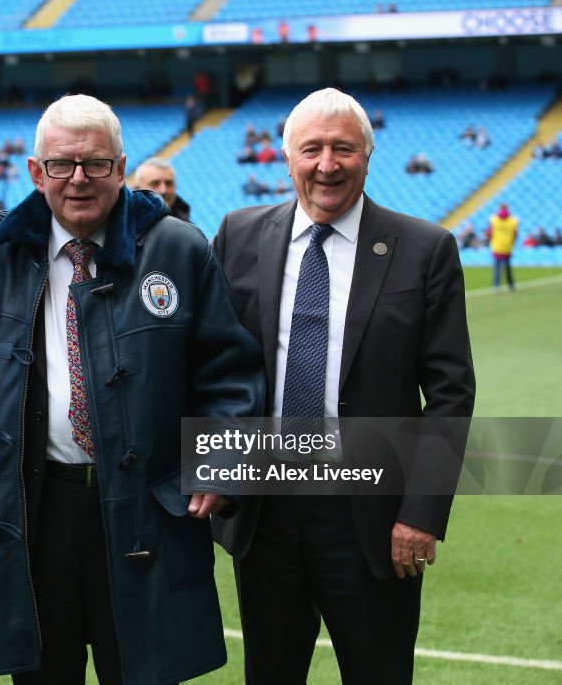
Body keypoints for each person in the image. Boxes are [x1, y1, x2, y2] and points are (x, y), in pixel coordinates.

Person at [0, 94, 265, 684]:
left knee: (143, 671)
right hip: (35, 507)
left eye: (95, 164)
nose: (78, 180)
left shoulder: (178, 247)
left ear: (121, 169)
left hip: (150, 508)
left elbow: (231, 373)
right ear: (35, 172)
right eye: (62, 165)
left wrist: (223, 462)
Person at [212, 88, 475, 684]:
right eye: (312, 149)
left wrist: (422, 512)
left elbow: (451, 392)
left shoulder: (425, 249)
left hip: (374, 519)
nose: (326, 164)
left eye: (343, 149)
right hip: (265, 511)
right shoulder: (238, 235)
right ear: (286, 158)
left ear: (367, 155)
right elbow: (214, 366)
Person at [133, 156, 191, 222]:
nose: (163, 190)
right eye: (155, 184)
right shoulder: (123, 225)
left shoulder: (188, 228)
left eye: (169, 183)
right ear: (137, 189)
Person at [489, 202, 518, 292]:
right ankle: (510, 285)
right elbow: (515, 234)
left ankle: (496, 285)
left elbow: (490, 233)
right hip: (507, 246)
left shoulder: (494, 219)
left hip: (497, 246)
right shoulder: (513, 221)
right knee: (508, 267)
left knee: (497, 267)